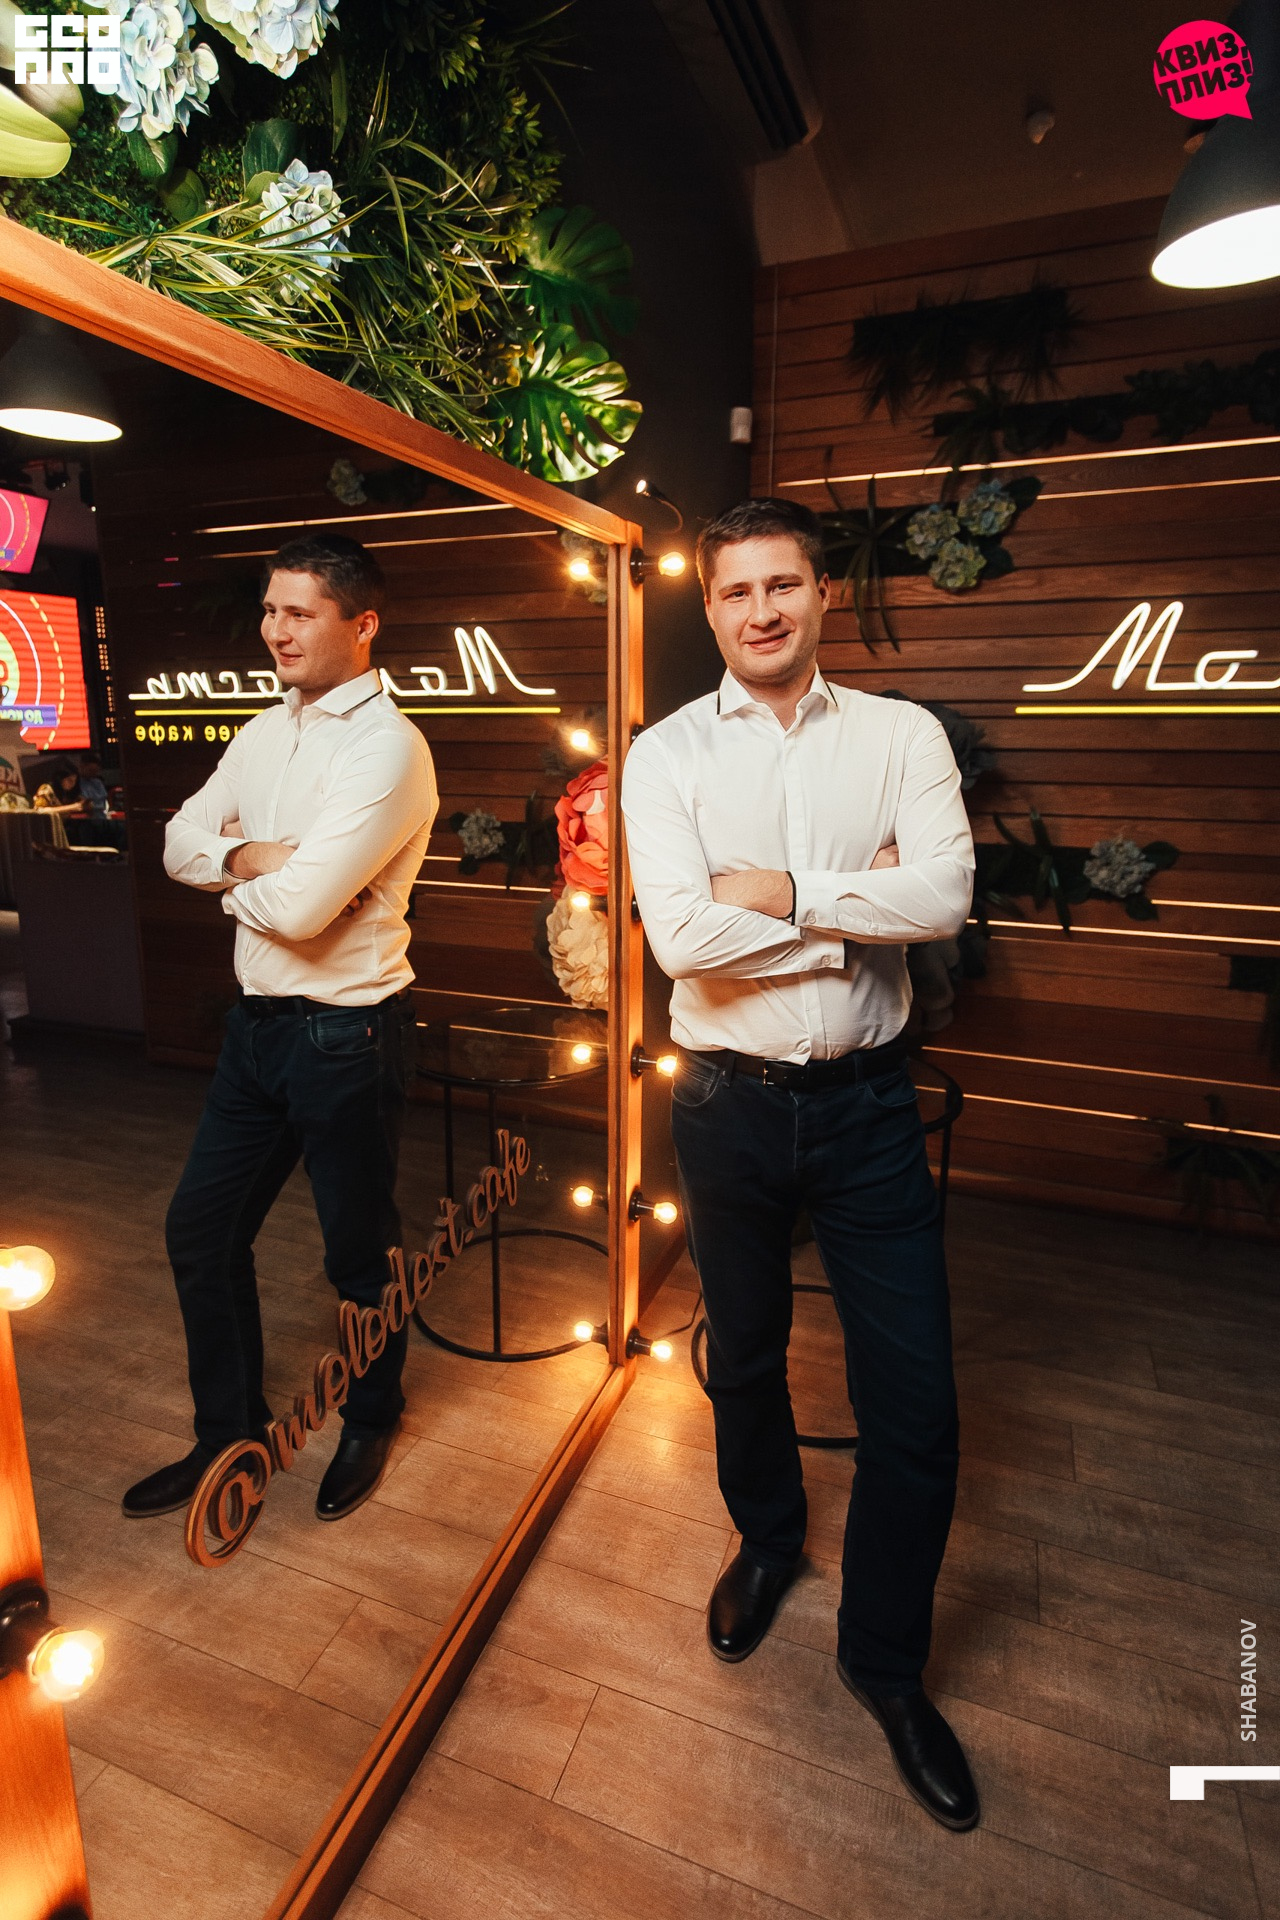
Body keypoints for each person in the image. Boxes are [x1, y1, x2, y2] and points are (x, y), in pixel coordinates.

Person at [620, 498, 979, 1832]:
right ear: (709, 606)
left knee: (917, 1407)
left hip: (870, 1108)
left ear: (821, 594)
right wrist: (855, 906)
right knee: (746, 1355)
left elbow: (943, 898)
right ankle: (769, 1540)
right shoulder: (663, 755)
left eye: (783, 585)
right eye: (735, 591)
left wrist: (777, 892)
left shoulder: (901, 736)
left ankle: (884, 1663)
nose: (760, 610)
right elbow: (681, 943)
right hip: (725, 1105)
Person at [122, 533, 438, 1524]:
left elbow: (301, 913)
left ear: (362, 623)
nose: (275, 629)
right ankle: (230, 1439)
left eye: (299, 612)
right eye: (270, 609)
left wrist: (237, 876)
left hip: (348, 1035)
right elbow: (175, 844)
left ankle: (372, 1415)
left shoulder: (388, 748)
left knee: (358, 1256)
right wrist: (262, 860)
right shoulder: (261, 732)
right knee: (200, 1231)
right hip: (255, 1031)